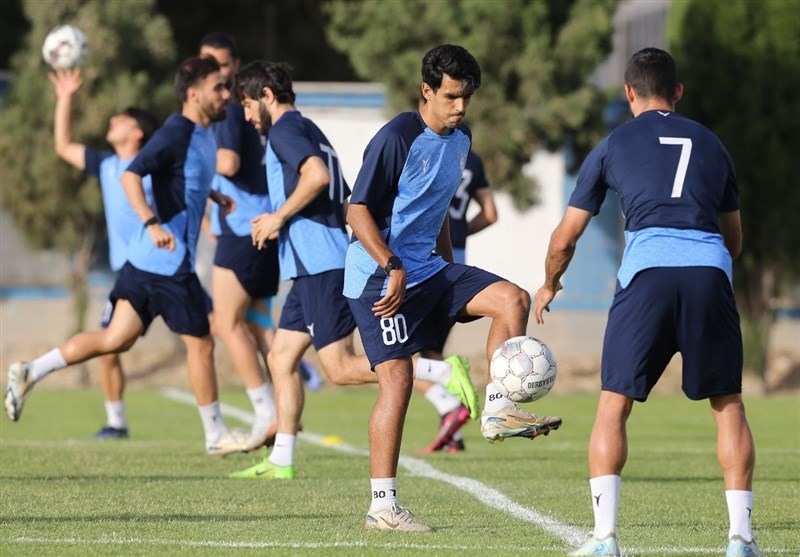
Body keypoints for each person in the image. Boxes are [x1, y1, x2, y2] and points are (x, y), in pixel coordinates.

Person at [532, 48, 762, 557]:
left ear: (628, 92)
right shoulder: (712, 144)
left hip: (647, 278)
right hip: (708, 274)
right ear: (677, 93)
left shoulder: (614, 142)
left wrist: (550, 283)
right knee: (727, 407)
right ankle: (741, 540)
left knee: (614, 405)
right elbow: (735, 241)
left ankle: (605, 539)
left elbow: (565, 238)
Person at [344, 44, 562, 531]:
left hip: (429, 268)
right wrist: (394, 264)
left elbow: (439, 205)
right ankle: (383, 507)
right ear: (426, 91)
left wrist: (446, 268)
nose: (460, 107)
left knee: (513, 299)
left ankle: (499, 409)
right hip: (379, 275)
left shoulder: (461, 139)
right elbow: (356, 211)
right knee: (397, 382)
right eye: (451, 97)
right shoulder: (396, 137)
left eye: (467, 98)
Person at [226, 60, 478, 482]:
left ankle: (441, 371)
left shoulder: (284, 130)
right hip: (310, 260)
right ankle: (282, 459)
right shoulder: (306, 128)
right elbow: (338, 186)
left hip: (319, 261)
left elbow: (317, 176)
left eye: (249, 106)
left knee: (340, 368)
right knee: (280, 356)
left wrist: (277, 218)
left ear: (266, 97)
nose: (248, 116)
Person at [4, 56, 248, 457]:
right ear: (193, 93)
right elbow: (131, 174)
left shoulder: (203, 135)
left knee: (115, 339)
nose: (226, 93)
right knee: (202, 342)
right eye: (218, 87)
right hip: (166, 260)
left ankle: (33, 370)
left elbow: (180, 181)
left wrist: (212, 195)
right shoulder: (174, 133)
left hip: (142, 263)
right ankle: (215, 433)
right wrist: (152, 222)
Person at [48, 67, 159, 440]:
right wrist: (65, 96)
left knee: (215, 330)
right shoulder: (108, 165)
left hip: (162, 270)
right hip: (128, 277)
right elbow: (63, 146)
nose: (112, 120)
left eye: (121, 119)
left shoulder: (151, 170)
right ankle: (116, 422)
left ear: (137, 133)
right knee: (109, 346)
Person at [198, 31, 286, 451]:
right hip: (260, 228)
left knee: (225, 323)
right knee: (259, 326)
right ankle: (287, 414)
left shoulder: (232, 110)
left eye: (221, 64)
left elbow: (229, 162)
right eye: (206, 63)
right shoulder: (244, 110)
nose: (214, 71)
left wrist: (187, 156)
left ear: (235, 66)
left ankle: (268, 415)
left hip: (244, 229)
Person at [415, 147, 499, 454]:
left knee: (403, 354)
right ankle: (454, 434)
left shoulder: (428, 151)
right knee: (430, 350)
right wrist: (461, 231)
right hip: (458, 261)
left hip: (430, 259)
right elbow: (490, 213)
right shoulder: (473, 158)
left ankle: (450, 407)